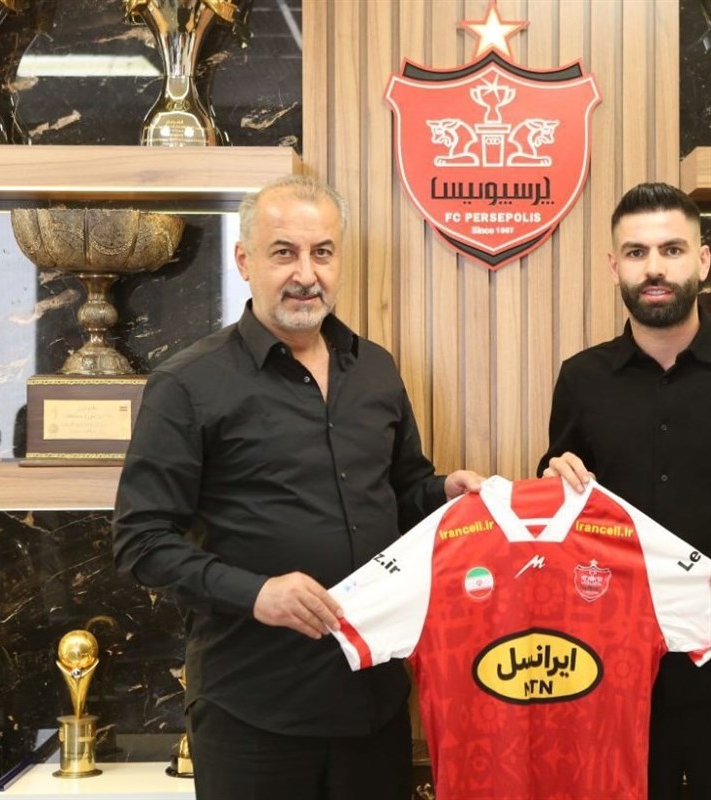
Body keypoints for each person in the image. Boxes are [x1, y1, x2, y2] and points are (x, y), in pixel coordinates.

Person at [113, 175, 484, 800]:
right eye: (284, 252)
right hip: (254, 710)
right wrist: (257, 593)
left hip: (374, 698)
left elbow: (403, 488)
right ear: (245, 261)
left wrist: (444, 490)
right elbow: (140, 540)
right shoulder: (187, 384)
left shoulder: (376, 369)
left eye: (323, 252)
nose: (306, 274)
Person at [538, 182, 711, 800]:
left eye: (672, 249)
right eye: (636, 252)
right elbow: (555, 499)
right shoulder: (581, 379)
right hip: (616, 679)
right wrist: (552, 476)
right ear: (615, 265)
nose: (655, 268)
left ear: (703, 260)